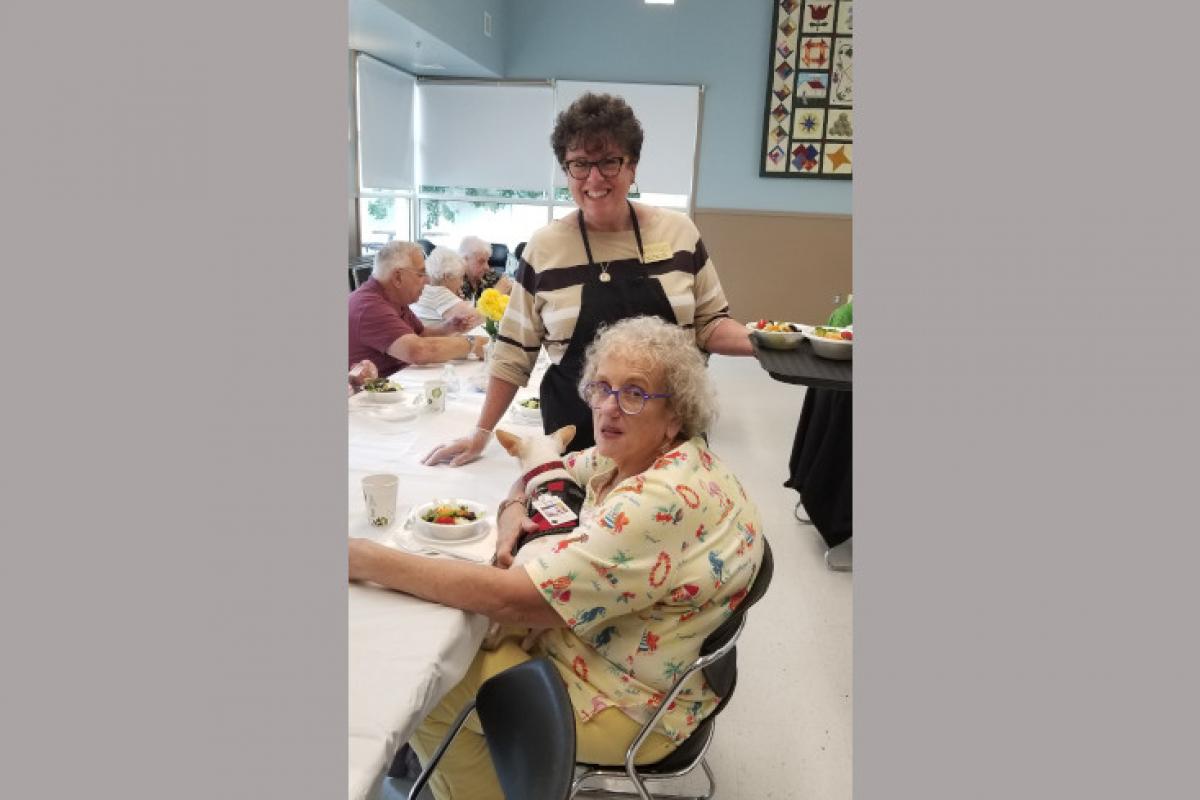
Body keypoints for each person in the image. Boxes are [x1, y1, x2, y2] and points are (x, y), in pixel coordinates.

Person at [349, 317, 765, 800]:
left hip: (631, 705)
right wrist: (512, 509)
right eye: (601, 388)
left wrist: (365, 560)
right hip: (654, 663)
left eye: (634, 393)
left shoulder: (658, 500)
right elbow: (544, 471)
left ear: (675, 414)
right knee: (450, 638)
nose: (609, 408)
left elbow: (514, 600)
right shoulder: (640, 455)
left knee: (427, 686)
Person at [422, 92, 755, 466]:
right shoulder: (544, 249)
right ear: (566, 171)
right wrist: (480, 435)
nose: (594, 178)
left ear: (633, 167)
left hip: (671, 443)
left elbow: (710, 325)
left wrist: (769, 342)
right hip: (576, 441)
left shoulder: (679, 234)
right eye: (579, 164)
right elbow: (514, 354)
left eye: (610, 162)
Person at [348, 240, 487, 376]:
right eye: (421, 274)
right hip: (370, 394)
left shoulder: (394, 298)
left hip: (400, 379)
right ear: (398, 277)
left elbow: (420, 334)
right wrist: (472, 344)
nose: (427, 281)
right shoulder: (369, 306)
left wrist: (448, 327)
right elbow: (418, 351)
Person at [409, 246, 485, 327]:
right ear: (447, 277)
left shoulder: (425, 289)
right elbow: (473, 319)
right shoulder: (438, 293)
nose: (462, 283)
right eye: (460, 277)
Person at [457, 235, 513, 302]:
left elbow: (507, 283)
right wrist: (495, 295)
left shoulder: (487, 275)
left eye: (487, 261)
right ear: (465, 260)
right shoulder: (455, 283)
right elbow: (468, 311)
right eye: (481, 262)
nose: (487, 267)